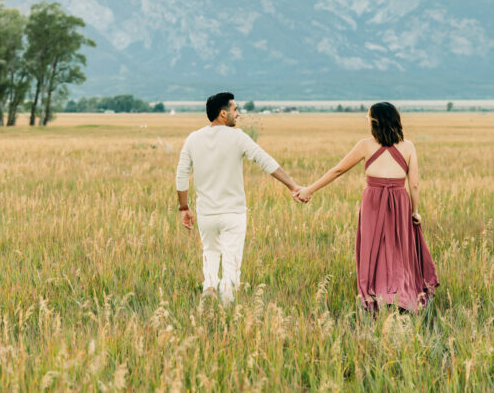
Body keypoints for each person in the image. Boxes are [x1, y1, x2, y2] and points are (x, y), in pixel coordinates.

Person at [295, 102, 438, 312]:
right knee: (399, 248)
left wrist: (309, 189)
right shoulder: (408, 147)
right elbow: (414, 184)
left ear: (375, 122)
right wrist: (414, 212)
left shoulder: (365, 145)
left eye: (368, 119)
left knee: (373, 248)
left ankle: (376, 294)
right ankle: (400, 294)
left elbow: (338, 170)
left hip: (373, 201)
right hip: (400, 201)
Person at [176, 91, 303, 304]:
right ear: (223, 113)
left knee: (210, 251)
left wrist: (184, 207)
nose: (238, 114)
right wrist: (292, 186)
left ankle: (209, 285)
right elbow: (265, 160)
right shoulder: (238, 137)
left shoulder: (193, 139)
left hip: (206, 213)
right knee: (232, 261)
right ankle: (227, 306)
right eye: (235, 110)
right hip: (233, 213)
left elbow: (181, 174)